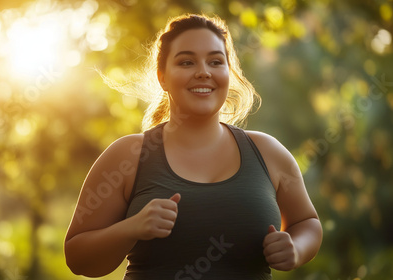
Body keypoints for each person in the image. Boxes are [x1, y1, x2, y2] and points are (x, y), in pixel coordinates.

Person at [64, 14, 323, 279]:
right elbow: (77, 258)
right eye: (187, 62)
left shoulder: (268, 152)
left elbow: (307, 222)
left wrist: (296, 249)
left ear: (228, 74)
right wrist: (131, 228)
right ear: (162, 77)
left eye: (215, 61)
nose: (203, 71)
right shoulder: (127, 156)